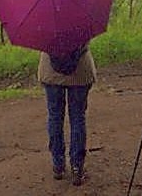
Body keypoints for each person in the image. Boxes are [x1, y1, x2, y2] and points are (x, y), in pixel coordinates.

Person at [38, 43, 96, 186]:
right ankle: (77, 167)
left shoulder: (44, 20)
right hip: (81, 71)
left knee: (55, 117)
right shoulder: (84, 20)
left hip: (50, 72)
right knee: (78, 118)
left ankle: (58, 165)